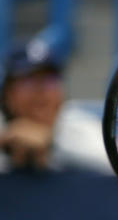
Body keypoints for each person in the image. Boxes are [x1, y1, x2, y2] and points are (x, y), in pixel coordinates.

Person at [0, 39, 111, 174]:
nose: (41, 90)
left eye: (50, 80)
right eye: (28, 80)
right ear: (8, 95)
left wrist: (51, 145)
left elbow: (113, 170)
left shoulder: (80, 126)